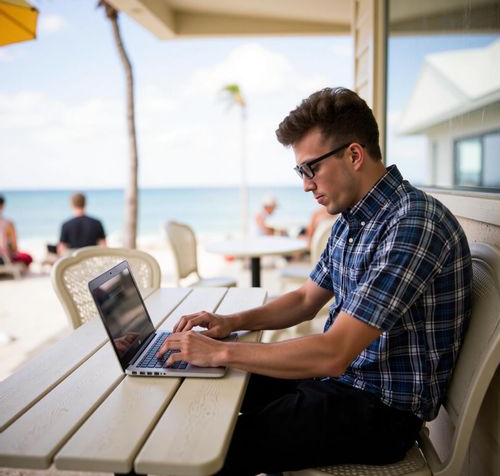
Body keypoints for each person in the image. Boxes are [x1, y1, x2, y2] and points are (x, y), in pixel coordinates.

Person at [157, 87, 472, 474]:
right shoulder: (354, 218)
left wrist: (220, 351)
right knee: (205, 389)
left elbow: (334, 352)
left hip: (381, 411)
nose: (306, 184)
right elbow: (306, 298)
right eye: (300, 171)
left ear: (354, 155)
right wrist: (231, 324)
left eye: (311, 168)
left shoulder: (412, 222)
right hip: (343, 383)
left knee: (210, 448)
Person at [0, 194, 33, 269]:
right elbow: (14, 246)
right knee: (28, 257)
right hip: (4, 259)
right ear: (2, 206)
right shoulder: (8, 223)